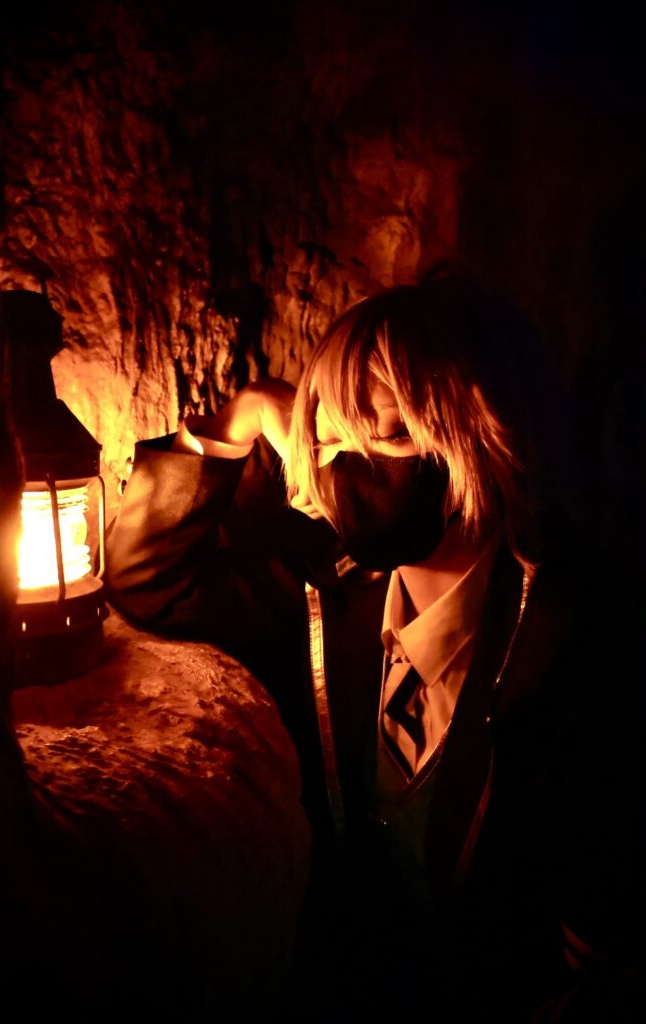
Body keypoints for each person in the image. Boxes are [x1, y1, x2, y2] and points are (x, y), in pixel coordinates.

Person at [105, 263, 643, 1021]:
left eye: (385, 433)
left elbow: (599, 938)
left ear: (479, 432)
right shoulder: (327, 595)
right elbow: (149, 578)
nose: (345, 467)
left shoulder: (571, 642)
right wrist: (243, 416)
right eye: (327, 440)